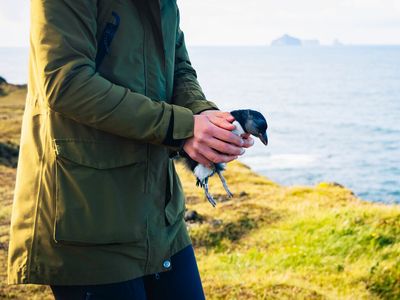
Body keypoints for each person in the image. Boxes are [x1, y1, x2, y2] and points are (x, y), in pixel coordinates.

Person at [7, 0, 254, 299]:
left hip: (162, 219)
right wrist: (181, 127)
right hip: (88, 220)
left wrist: (206, 119)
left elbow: (180, 70)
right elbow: (66, 82)